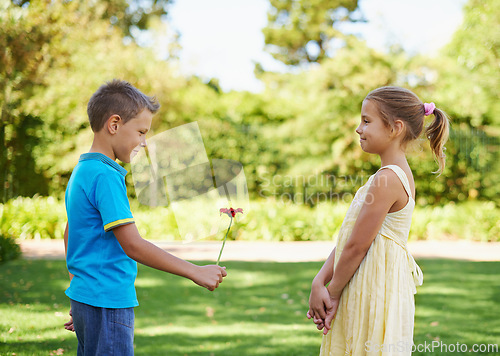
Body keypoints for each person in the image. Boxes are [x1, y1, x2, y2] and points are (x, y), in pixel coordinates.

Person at [63, 79, 227, 355]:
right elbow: (133, 245)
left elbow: (70, 232)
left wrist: (80, 287)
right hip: (108, 301)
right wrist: (195, 271)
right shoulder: (106, 176)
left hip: (87, 299)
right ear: (114, 125)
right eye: (141, 132)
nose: (144, 143)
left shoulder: (83, 170)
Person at [307, 86, 449, 355]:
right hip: (370, 280)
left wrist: (332, 292)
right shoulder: (388, 175)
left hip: (374, 286)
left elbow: (357, 247)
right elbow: (352, 238)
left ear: (395, 128)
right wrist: (319, 280)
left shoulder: (388, 178)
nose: (359, 129)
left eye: (366, 121)